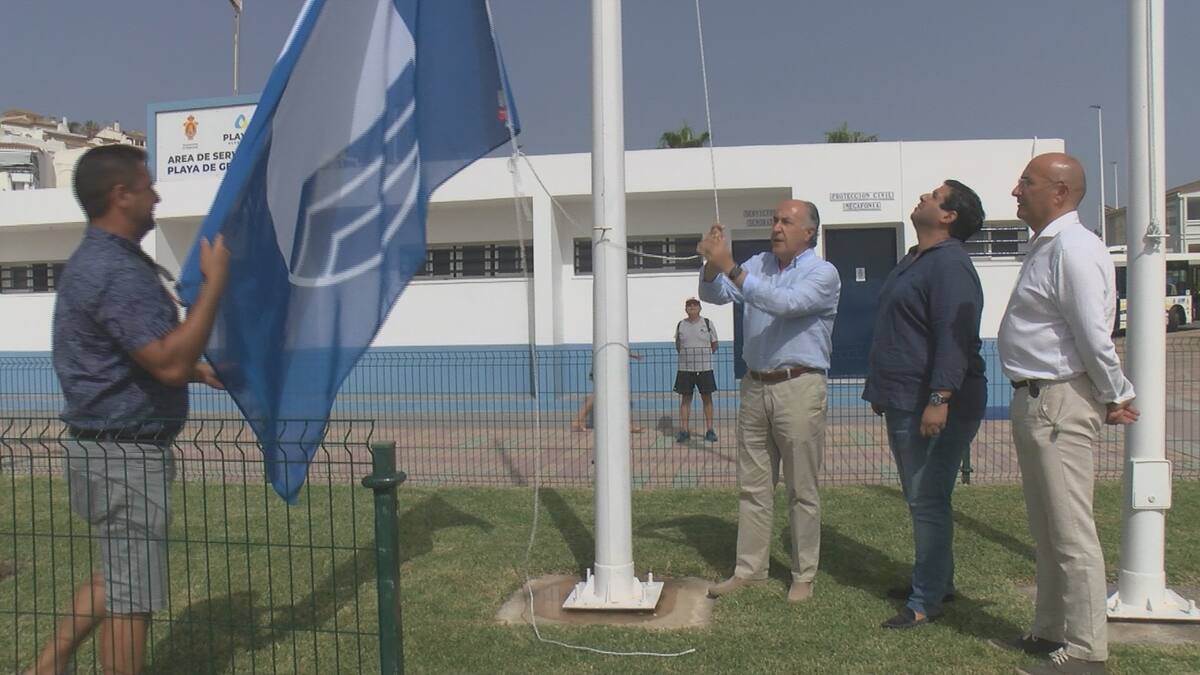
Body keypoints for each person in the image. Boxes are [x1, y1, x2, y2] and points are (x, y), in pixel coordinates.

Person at [26, 145, 230, 675]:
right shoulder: (114, 270)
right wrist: (213, 287)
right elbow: (165, 362)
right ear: (121, 196)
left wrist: (200, 369)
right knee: (130, 597)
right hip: (123, 458)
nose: (155, 195)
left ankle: (48, 666)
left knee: (117, 574)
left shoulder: (103, 261)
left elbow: (138, 353)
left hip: (103, 451)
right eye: (147, 186)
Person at [996, 153, 1138, 675]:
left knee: (1072, 530)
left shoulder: (1075, 249)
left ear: (1059, 192)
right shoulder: (1048, 247)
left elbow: (1093, 334)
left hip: (1058, 400)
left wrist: (1115, 393)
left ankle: (1085, 650)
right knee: (1048, 526)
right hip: (1037, 398)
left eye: (1026, 182)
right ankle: (1051, 629)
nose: (1016, 189)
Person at [697, 199, 840, 603]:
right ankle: (749, 570)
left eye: (786, 221)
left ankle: (803, 574)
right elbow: (714, 294)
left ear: (809, 232)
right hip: (755, 385)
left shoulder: (822, 273)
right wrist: (711, 262)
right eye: (774, 219)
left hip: (799, 385)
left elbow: (786, 304)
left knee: (801, 488)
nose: (776, 227)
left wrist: (730, 266)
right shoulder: (758, 263)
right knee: (753, 486)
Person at [862, 180, 987, 629]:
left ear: (949, 215)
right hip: (904, 398)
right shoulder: (916, 259)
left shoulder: (950, 265)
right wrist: (882, 390)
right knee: (928, 499)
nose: (923, 197)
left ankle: (925, 600)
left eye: (934, 196)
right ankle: (937, 581)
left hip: (932, 401)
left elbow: (954, 337)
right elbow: (901, 332)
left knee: (927, 500)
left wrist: (940, 398)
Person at [674, 297, 719, 443]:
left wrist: (703, 357)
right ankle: (684, 431)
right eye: (689, 305)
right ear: (685, 309)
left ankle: (710, 430)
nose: (692, 307)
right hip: (685, 369)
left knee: (707, 399)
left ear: (700, 308)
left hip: (704, 368)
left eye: (695, 305)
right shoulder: (681, 324)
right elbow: (678, 345)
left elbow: (714, 344)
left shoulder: (707, 323)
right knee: (685, 399)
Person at [570, 352, 645, 433]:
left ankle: (577, 421)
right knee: (610, 394)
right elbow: (613, 345)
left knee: (608, 394)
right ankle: (628, 425)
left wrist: (630, 354)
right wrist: (630, 354)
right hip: (605, 365)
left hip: (606, 364)